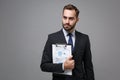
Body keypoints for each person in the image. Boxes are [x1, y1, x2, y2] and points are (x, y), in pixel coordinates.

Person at [40, 4, 95, 80]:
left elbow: (88, 67)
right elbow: (44, 65)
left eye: (71, 18)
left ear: (77, 20)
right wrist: (63, 66)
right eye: (64, 17)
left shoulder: (84, 38)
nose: (67, 21)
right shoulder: (52, 38)